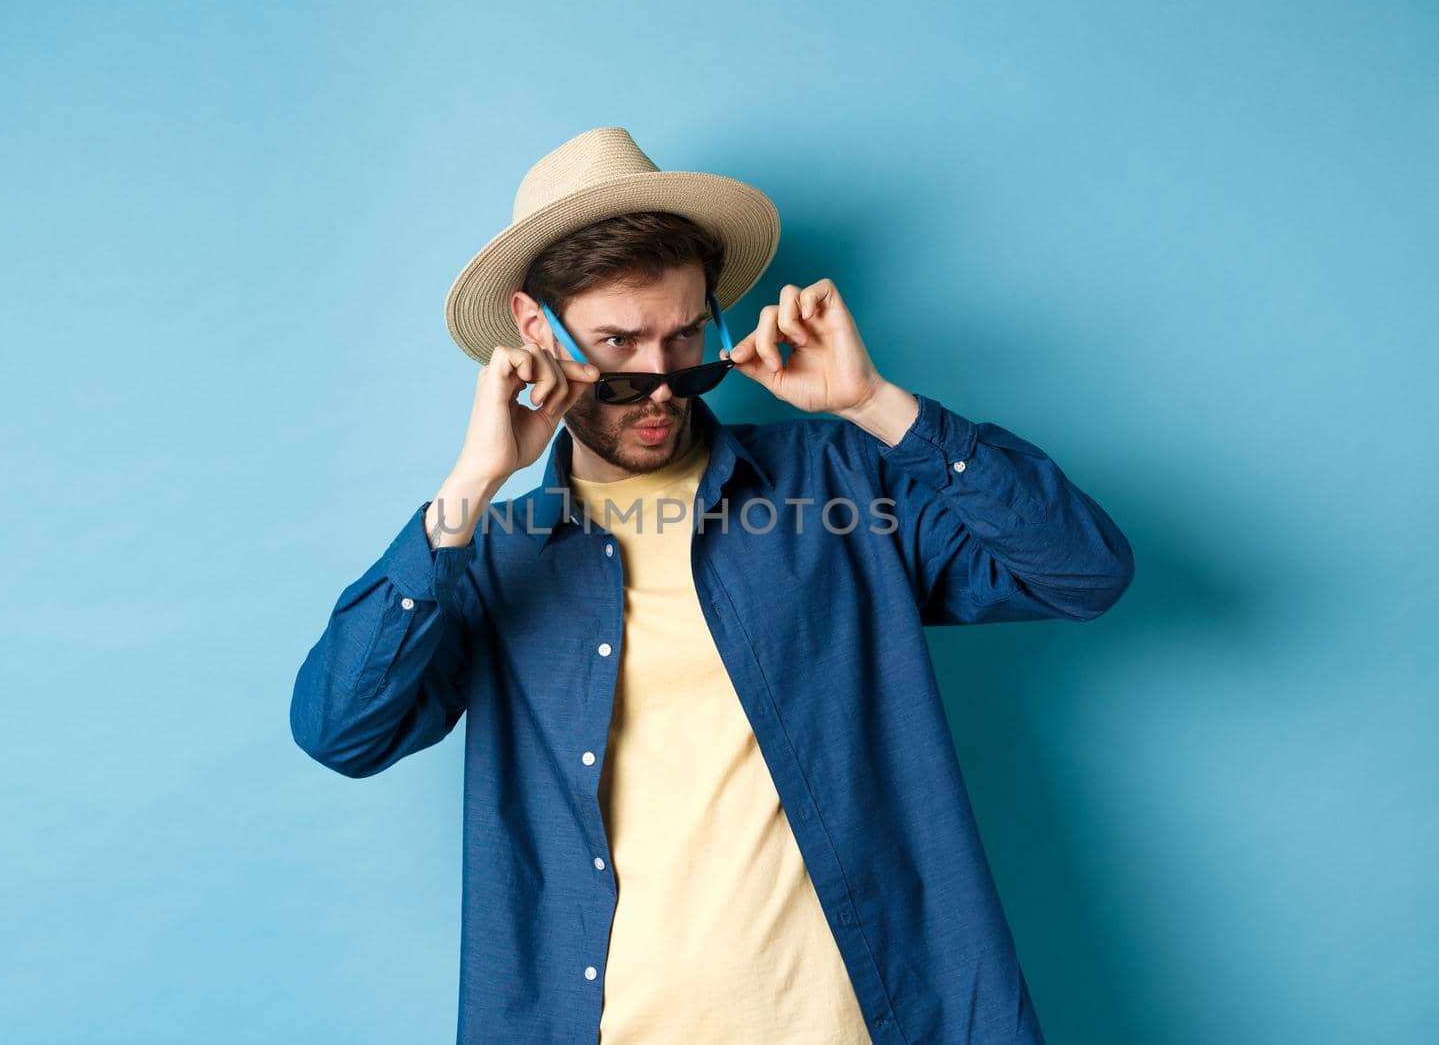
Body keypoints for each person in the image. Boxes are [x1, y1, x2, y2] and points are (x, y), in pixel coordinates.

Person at [290, 126, 1134, 1044]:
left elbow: (1082, 571)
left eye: (686, 337)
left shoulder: (842, 486)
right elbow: (343, 730)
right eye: (619, 344)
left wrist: (875, 405)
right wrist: (469, 486)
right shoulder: (490, 553)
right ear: (538, 330)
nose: (660, 383)